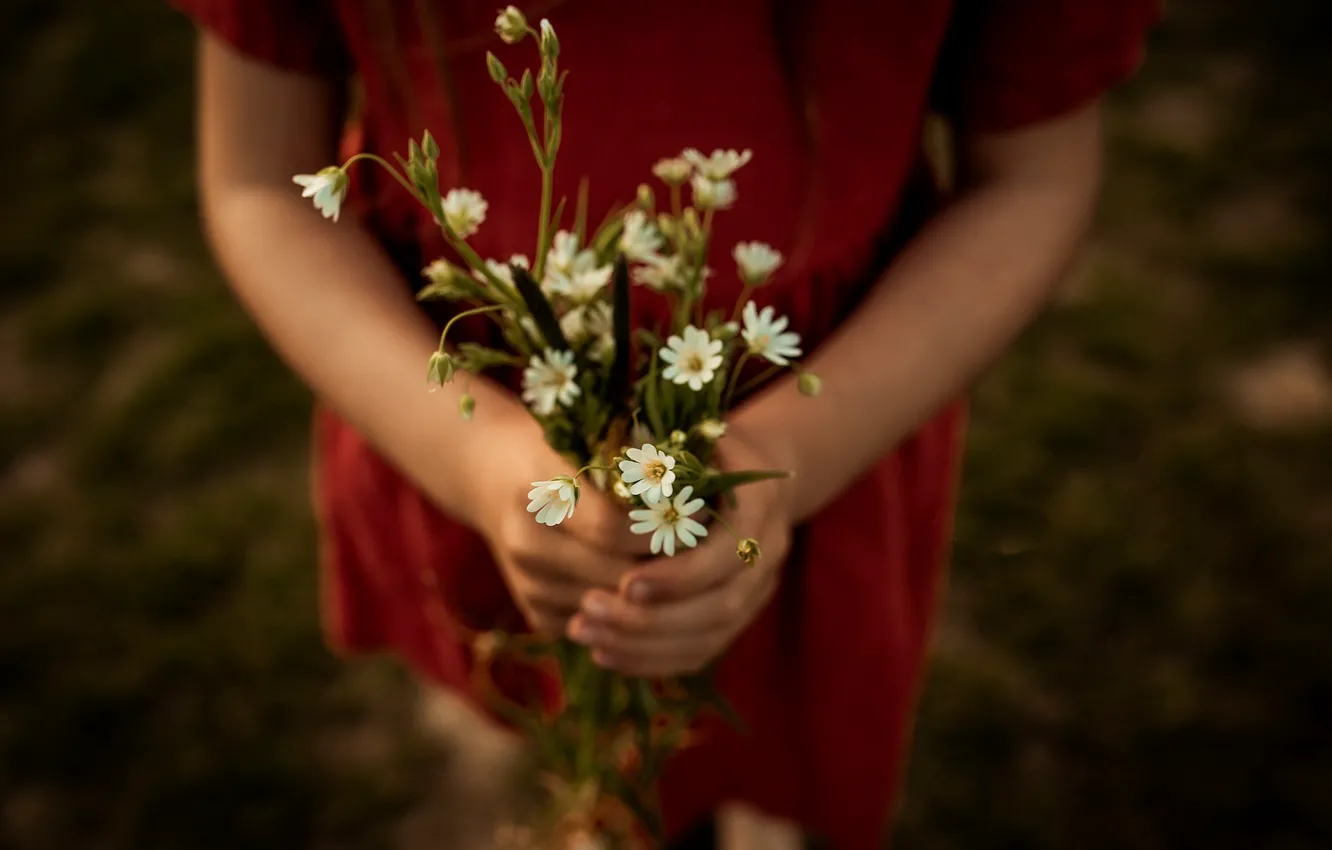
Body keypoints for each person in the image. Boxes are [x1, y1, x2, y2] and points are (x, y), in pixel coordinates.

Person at [172, 1, 1157, 847]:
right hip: (448, 401)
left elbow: (1032, 175)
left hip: (836, 416)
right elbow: (261, 184)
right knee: (577, 729)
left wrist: (780, 454)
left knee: (745, 742)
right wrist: (474, 455)